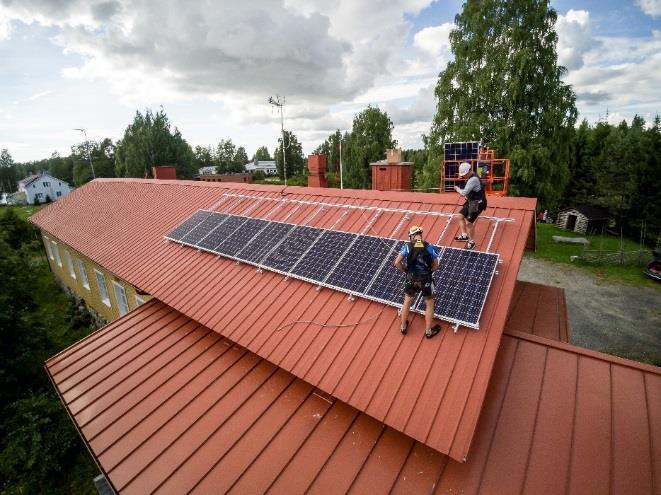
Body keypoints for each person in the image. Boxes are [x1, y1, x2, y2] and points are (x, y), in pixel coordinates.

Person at [394, 226, 442, 338]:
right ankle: (428, 331)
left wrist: (405, 270)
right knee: (429, 304)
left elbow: (396, 263)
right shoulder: (429, 247)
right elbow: (436, 264)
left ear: (411, 236)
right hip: (425, 279)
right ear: (420, 234)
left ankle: (403, 327)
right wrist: (430, 271)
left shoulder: (407, 247)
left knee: (407, 301)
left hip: (411, 278)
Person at [453, 162, 487, 250]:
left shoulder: (473, 179)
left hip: (477, 203)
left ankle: (471, 242)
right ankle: (464, 235)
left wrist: (457, 189)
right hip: (471, 201)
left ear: (469, 171)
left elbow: (464, 192)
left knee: (468, 222)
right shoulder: (469, 177)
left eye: (464, 174)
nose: (463, 176)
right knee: (460, 216)